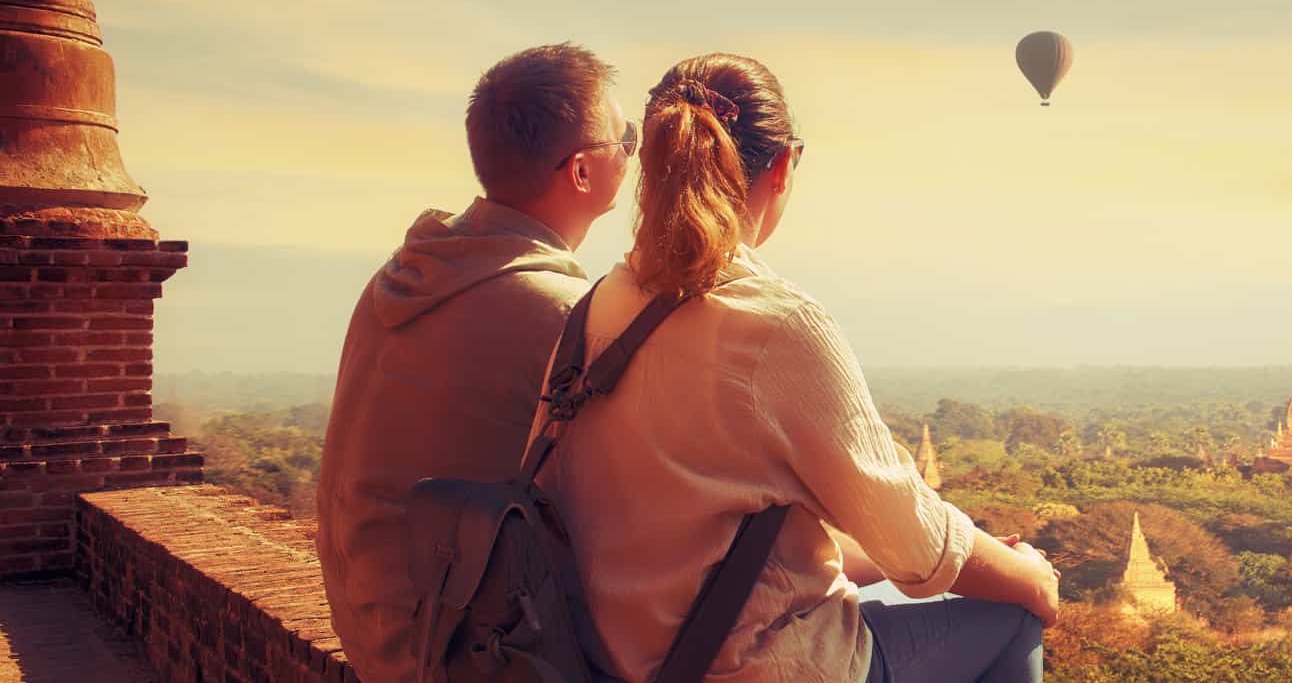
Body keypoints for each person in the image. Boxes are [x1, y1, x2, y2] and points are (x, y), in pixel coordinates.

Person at [539, 53, 1056, 682]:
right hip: (749, 668)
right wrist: (1028, 575)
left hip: (607, 659)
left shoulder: (596, 307)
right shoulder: (778, 325)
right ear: (784, 167)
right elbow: (917, 547)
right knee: (1012, 620)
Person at [316, 44, 635, 682]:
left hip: (381, 631)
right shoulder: (563, 314)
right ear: (580, 172)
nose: (633, 151)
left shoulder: (403, 277)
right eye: (626, 140)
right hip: (474, 653)